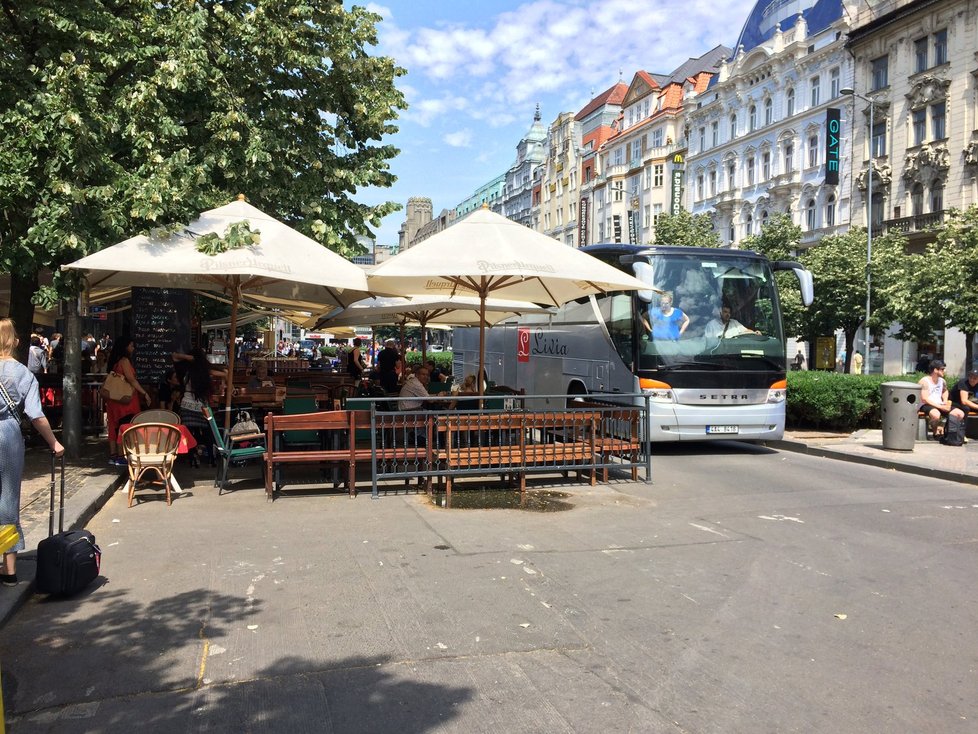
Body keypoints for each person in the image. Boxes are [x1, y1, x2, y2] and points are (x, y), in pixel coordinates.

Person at [0, 319, 65, 587]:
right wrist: (54, 443)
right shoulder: (23, 374)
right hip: (8, 436)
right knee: (8, 501)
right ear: (14, 342)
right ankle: (9, 569)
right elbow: (36, 416)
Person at [174, 349, 227, 467]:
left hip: (186, 405)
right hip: (201, 406)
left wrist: (190, 358)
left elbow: (175, 356)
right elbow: (225, 373)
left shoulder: (185, 371)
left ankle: (193, 457)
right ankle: (211, 458)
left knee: (189, 433)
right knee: (208, 432)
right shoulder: (205, 371)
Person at [105, 336, 151, 464]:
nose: (133, 348)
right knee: (125, 425)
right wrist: (144, 393)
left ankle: (114, 455)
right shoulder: (124, 361)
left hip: (114, 397)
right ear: (125, 347)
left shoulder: (114, 361)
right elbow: (131, 379)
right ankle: (121, 455)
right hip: (124, 399)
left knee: (114, 425)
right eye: (131, 345)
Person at [918, 360, 964, 439]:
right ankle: (935, 432)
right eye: (942, 369)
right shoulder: (924, 381)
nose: (944, 371)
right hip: (927, 404)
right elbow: (924, 399)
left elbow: (945, 391)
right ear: (935, 370)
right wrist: (941, 407)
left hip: (939, 403)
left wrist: (945, 401)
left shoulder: (942, 381)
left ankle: (945, 429)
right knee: (936, 415)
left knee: (960, 414)